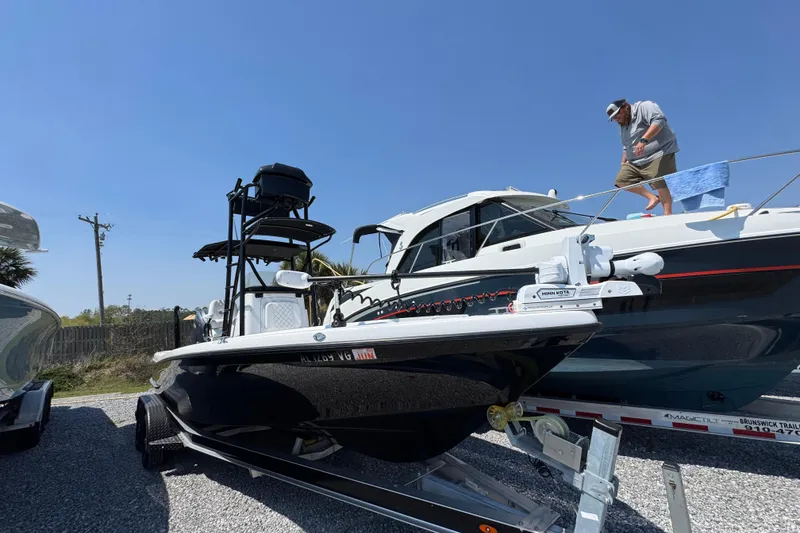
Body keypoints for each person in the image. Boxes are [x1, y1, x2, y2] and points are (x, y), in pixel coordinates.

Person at [606, 98, 679, 215]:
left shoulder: (645, 106)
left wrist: (644, 139)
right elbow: (626, 145)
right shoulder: (623, 125)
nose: (616, 119)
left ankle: (668, 215)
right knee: (621, 180)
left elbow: (659, 120)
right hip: (635, 160)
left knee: (659, 182)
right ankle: (652, 198)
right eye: (614, 118)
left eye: (617, 115)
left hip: (659, 152)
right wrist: (623, 162)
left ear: (625, 107)